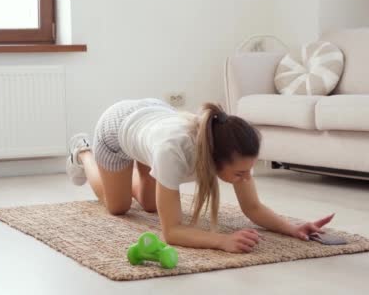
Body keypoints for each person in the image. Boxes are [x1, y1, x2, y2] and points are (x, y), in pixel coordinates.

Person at [66, 98, 334, 253]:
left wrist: (293, 228)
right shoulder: (174, 152)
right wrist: (222, 241)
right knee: (118, 207)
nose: (245, 178)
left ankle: (139, 160)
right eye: (240, 174)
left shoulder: (234, 150)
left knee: (150, 206)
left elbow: (252, 207)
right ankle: (83, 152)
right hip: (116, 128)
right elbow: (171, 232)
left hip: (152, 122)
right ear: (215, 160)